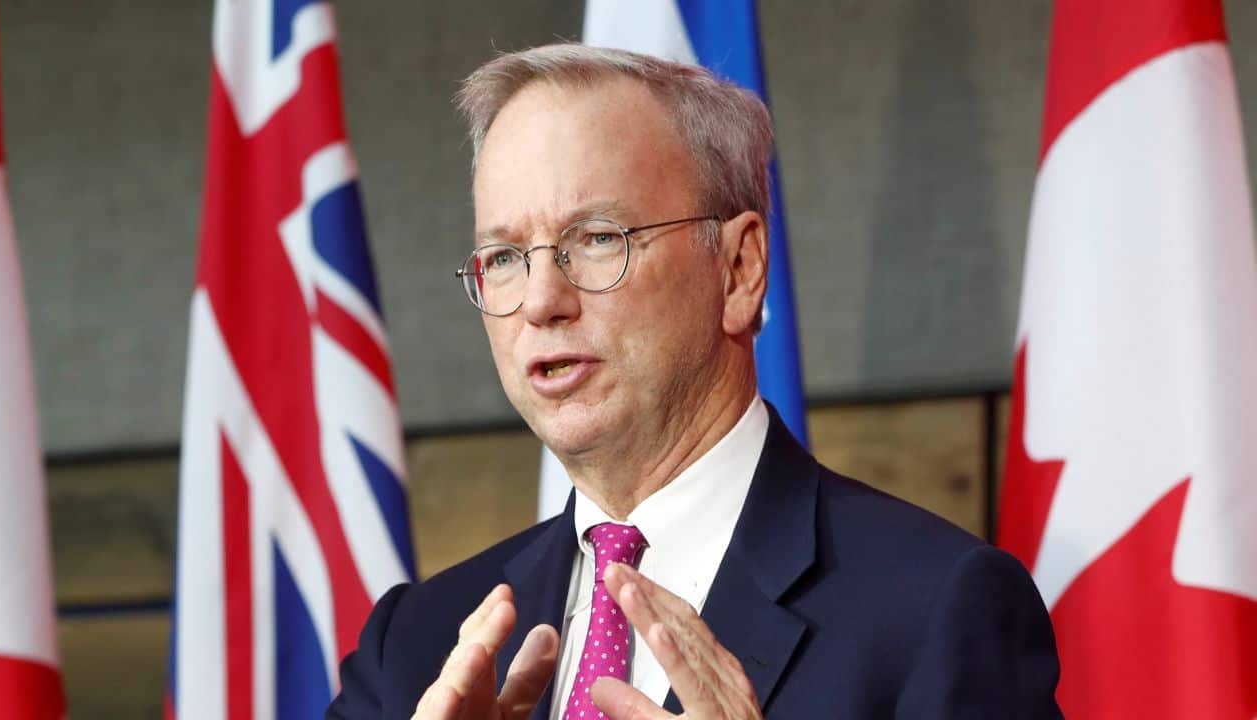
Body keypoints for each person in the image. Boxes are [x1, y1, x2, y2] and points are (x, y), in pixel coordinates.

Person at [327, 44, 1062, 720]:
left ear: (739, 269)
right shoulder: (417, 648)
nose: (543, 300)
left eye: (596, 239)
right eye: (506, 257)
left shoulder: (934, 611)